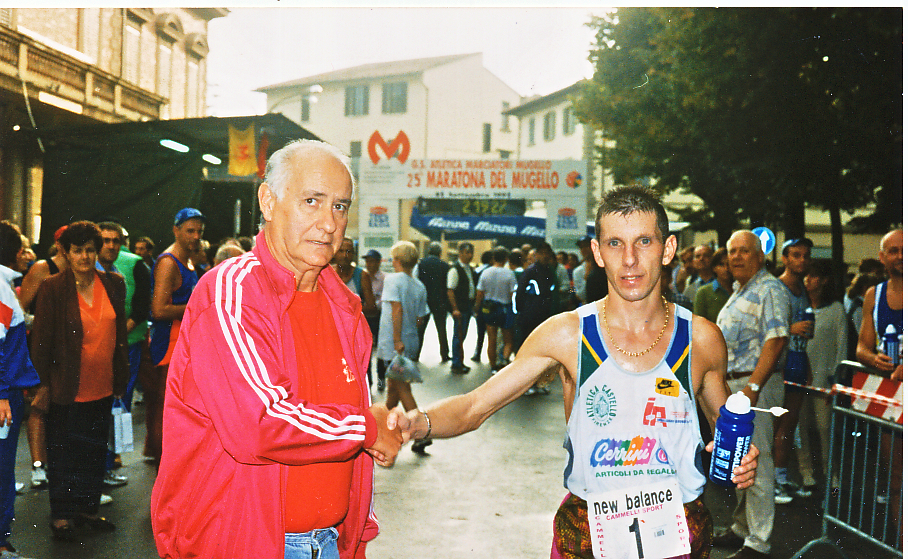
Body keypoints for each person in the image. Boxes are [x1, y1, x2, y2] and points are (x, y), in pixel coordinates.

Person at [388, 186, 758, 559]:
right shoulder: (566, 333)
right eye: (615, 243)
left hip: (677, 527)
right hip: (589, 528)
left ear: (668, 248)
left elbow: (725, 423)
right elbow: (474, 406)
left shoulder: (702, 339)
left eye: (644, 241)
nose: (629, 259)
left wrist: (742, 460)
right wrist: (419, 422)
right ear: (597, 252)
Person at [150, 140, 402, 559]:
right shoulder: (233, 292)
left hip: (329, 540)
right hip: (243, 541)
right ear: (268, 201)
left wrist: (353, 538)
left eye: (340, 206)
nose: (328, 223)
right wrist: (365, 427)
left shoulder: (344, 306)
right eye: (311, 201)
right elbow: (258, 423)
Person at [31, 221, 128, 540]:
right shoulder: (53, 287)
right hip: (66, 385)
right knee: (63, 452)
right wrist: (42, 385)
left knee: (93, 450)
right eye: (77, 250)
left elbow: (120, 337)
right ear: (66, 253)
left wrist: (121, 379)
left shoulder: (114, 282)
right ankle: (61, 516)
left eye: (90, 249)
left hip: (103, 383)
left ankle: (86, 509)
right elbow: (42, 340)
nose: (85, 256)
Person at [713, 230, 790, 559]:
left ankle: (758, 542)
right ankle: (742, 529)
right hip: (737, 388)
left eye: (745, 251)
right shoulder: (740, 289)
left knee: (756, 462)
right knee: (741, 460)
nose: (737, 257)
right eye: (732, 252)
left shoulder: (770, 288)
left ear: (760, 257)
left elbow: (776, 339)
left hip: (754, 386)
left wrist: (753, 388)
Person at [146, 207, 205, 468]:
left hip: (182, 345)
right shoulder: (169, 262)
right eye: (190, 231)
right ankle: (163, 462)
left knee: (175, 407)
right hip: (166, 347)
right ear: (176, 230)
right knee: (164, 406)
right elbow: (158, 309)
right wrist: (198, 304)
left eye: (199, 232)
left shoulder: (189, 259)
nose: (195, 236)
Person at [16, 225, 69, 492]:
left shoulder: (83, 271)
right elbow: (19, 310)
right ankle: (38, 467)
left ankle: (62, 466)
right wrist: (46, 322)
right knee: (39, 404)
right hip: (40, 346)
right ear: (59, 245)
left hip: (69, 351)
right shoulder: (42, 268)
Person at [0, 221, 41, 559]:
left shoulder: (5, 286)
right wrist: (1, 393)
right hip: (4, 396)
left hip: (8, 392)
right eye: (23, 248)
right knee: (1, 470)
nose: (29, 253)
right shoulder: (0, 288)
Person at [794, 259, 847, 495]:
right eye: (806, 275)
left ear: (824, 280)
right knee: (800, 428)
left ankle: (831, 472)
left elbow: (842, 346)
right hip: (798, 379)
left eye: (814, 276)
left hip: (823, 382)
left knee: (826, 429)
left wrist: (837, 377)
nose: (808, 280)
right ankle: (806, 473)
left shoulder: (836, 309)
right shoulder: (800, 308)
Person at [377, 242, 429, 452]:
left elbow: (395, 310)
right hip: (411, 340)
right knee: (394, 387)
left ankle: (421, 432)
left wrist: (397, 339)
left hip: (394, 342)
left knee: (401, 387)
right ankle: (380, 426)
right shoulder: (419, 285)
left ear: (397, 259)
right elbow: (420, 318)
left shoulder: (392, 280)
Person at [773, 237, 814, 504]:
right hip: (778, 365)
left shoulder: (803, 290)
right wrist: (789, 329)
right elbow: (764, 326)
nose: (801, 260)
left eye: (805, 256)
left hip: (798, 362)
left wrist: (807, 364)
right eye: (795, 255)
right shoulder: (776, 288)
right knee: (776, 424)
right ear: (785, 258)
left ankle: (782, 477)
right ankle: (773, 482)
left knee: (790, 424)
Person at [856, 229, 903, 381]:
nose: (901, 256)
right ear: (882, 257)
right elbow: (862, 348)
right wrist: (873, 359)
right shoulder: (874, 295)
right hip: (885, 386)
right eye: (894, 251)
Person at [474, 246, 517, 371]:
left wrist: (477, 307)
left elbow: (480, 293)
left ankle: (493, 366)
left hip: (489, 308)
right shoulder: (509, 274)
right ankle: (503, 361)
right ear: (506, 259)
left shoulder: (486, 273)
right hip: (505, 309)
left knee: (491, 339)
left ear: (493, 258)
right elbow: (512, 294)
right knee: (508, 339)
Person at [415, 242, 451, 363]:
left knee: (420, 329)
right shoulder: (445, 266)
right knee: (441, 328)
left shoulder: (421, 264)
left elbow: (417, 281)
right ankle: (444, 354)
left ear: (428, 251)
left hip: (424, 301)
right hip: (440, 301)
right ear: (440, 253)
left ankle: (416, 354)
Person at [447, 242, 475, 374]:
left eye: (471, 252)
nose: (470, 255)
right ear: (460, 253)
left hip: (467, 306)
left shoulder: (468, 269)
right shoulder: (455, 269)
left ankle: (459, 361)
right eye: (467, 252)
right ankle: (456, 363)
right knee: (458, 335)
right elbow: (450, 290)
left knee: (462, 335)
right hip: (461, 307)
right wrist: (455, 308)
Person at [333, 237, 377, 320]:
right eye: (341, 251)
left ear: (353, 254)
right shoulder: (326, 273)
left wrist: (346, 309)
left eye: (348, 252)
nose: (344, 255)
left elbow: (372, 308)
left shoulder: (362, 275)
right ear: (335, 253)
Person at [362, 249, 386, 389]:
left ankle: (381, 379)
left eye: (371, 261)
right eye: (367, 261)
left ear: (378, 262)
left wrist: (373, 306)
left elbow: (383, 299)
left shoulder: (384, 279)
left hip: (379, 317)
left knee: (381, 350)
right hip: (365, 318)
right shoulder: (362, 277)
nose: (369, 264)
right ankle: (368, 381)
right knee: (367, 350)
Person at [693, 247, 732, 323]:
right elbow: (699, 324)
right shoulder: (703, 292)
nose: (726, 268)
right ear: (714, 268)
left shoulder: (738, 289)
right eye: (721, 265)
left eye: (729, 264)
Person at [471, 250, 493, 363]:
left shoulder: (477, 271)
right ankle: (491, 354)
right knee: (492, 331)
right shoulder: (491, 270)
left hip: (481, 304)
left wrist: (476, 305)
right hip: (491, 305)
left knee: (480, 330)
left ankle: (477, 353)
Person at [571, 236, 595, 307]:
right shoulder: (578, 271)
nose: (584, 249)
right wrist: (586, 277)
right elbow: (580, 296)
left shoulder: (604, 266)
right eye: (581, 247)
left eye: (587, 246)